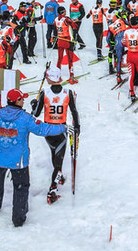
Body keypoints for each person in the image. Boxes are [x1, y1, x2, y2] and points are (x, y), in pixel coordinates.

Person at [0, 88, 66, 227]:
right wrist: (62, 128)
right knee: (21, 187)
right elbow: (43, 129)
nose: (24, 100)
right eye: (22, 99)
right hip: (18, 162)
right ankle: (18, 218)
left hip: (0, 159)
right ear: (16, 101)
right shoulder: (25, 118)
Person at [30, 68, 80, 204]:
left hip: (48, 130)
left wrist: (33, 104)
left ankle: (58, 177)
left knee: (55, 155)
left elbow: (35, 113)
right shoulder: (67, 93)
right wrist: (77, 127)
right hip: (60, 130)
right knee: (57, 159)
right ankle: (52, 189)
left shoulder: (44, 93)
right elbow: (74, 111)